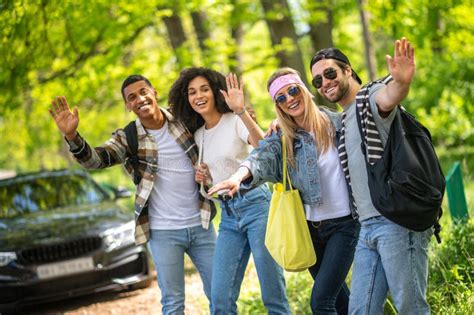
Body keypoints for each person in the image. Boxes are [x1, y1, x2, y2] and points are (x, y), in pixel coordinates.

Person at [48, 75, 217, 315]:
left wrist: (243, 116)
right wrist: (73, 137)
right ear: (128, 105)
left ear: (154, 92)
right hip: (163, 232)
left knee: (221, 293)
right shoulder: (127, 137)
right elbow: (96, 160)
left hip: (202, 224)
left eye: (143, 92)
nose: (140, 99)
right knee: (173, 302)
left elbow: (216, 127)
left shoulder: (183, 120)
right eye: (132, 97)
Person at [209, 67, 361, 314]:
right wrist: (237, 177)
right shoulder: (284, 138)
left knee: (321, 302)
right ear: (278, 105)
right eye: (281, 97)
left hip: (344, 226)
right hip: (309, 231)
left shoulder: (337, 124)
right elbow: (260, 157)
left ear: (304, 90)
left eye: (292, 91)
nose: (289, 99)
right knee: (340, 300)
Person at [309, 38, 432, 314]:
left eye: (330, 73)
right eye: (317, 81)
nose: (325, 82)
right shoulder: (343, 119)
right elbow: (310, 118)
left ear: (347, 71)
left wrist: (401, 82)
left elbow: (388, 97)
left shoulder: (369, 98)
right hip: (366, 227)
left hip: (396, 223)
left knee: (410, 307)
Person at [168, 67, 290, 314]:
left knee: (272, 295)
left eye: (204, 89)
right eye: (192, 92)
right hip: (228, 216)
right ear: (186, 99)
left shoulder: (234, 121)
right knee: (220, 298)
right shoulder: (199, 135)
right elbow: (218, 177)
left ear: (215, 92)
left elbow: (263, 147)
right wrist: (205, 178)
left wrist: (241, 111)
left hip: (257, 206)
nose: (198, 96)